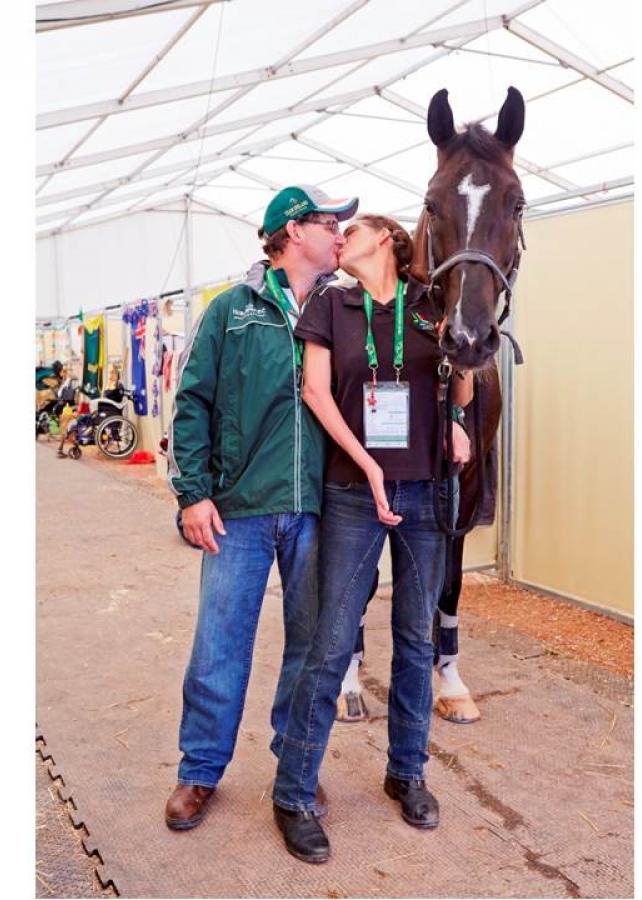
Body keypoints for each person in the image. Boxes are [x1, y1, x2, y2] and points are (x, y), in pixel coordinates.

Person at [270, 214, 473, 863]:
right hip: (354, 493)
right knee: (331, 643)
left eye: (351, 231)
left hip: (424, 489)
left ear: (384, 238)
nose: (340, 241)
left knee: (415, 641)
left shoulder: (431, 304)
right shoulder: (332, 303)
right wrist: (367, 464)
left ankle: (407, 773)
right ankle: (294, 790)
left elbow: (460, 385)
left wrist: (461, 396)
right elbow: (316, 391)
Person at [162, 185, 358, 831]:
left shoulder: (340, 311)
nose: (340, 235)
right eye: (331, 223)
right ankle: (199, 770)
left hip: (315, 510)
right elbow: (191, 403)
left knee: (309, 646)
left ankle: (295, 762)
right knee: (220, 644)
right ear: (293, 231)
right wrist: (192, 495)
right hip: (239, 509)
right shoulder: (230, 310)